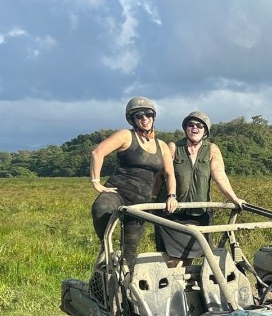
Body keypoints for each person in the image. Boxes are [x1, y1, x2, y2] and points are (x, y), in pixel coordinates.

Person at [90, 96, 178, 270]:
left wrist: (172, 195)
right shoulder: (126, 135)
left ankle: (124, 288)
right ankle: (106, 248)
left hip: (141, 200)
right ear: (132, 119)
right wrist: (96, 182)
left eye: (147, 114)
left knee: (129, 254)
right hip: (118, 191)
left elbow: (170, 174)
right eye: (138, 116)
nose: (144, 118)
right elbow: (97, 153)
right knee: (100, 208)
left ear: (153, 117)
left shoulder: (162, 146)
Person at [154, 110, 244, 267]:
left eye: (199, 126)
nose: (195, 128)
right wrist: (153, 200)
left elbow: (219, 175)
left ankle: (184, 291)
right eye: (191, 125)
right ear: (185, 128)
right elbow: (161, 176)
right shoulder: (174, 147)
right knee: (172, 261)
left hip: (198, 213)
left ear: (205, 131)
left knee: (189, 259)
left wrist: (234, 199)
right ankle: (174, 289)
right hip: (172, 213)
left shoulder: (211, 149)